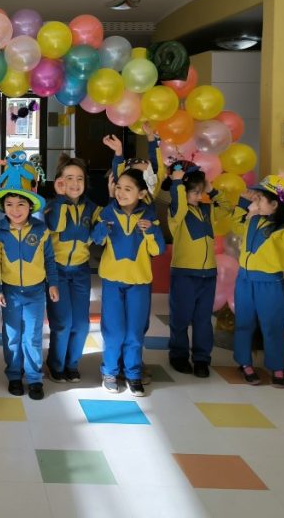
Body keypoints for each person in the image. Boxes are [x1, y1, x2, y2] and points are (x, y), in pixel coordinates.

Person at [91, 168, 165, 397]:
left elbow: (158, 250)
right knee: (114, 332)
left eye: (128, 189)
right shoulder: (107, 212)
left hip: (139, 283)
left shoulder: (149, 216)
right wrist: (101, 230)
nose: (121, 193)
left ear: (141, 193)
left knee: (135, 332)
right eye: (119, 187)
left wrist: (151, 231)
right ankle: (110, 373)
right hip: (112, 282)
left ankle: (133, 374)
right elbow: (96, 241)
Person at [232, 174, 284, 388]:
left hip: (269, 284)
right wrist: (244, 202)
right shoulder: (254, 219)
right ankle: (244, 363)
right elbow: (236, 226)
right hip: (244, 281)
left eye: (260, 198)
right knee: (244, 323)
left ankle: (277, 367)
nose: (256, 201)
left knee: (273, 325)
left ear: (275, 205)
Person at [0, 184, 58, 400]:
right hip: (10, 293)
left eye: (21, 204)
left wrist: (52, 284)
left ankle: (34, 378)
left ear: (30, 207)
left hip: (35, 293)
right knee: (12, 336)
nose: (15, 210)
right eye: (9, 204)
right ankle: (14, 375)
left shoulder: (41, 230)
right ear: (3, 207)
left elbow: (49, 259)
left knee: (33, 336)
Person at [165, 162, 226, 378]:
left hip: (208, 274)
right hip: (184, 274)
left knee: (203, 320)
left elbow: (226, 208)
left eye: (201, 192)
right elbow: (179, 204)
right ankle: (178, 355)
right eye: (195, 193)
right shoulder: (176, 212)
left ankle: (201, 358)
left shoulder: (207, 209)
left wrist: (212, 190)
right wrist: (178, 183)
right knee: (181, 318)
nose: (200, 197)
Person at [44, 155, 100, 383]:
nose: (75, 183)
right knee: (62, 322)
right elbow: (56, 226)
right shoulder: (52, 206)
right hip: (56, 271)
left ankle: (72, 364)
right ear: (59, 181)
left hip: (81, 271)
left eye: (79, 178)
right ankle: (55, 364)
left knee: (82, 323)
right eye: (69, 178)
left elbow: (100, 233)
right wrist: (60, 199)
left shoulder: (92, 208)